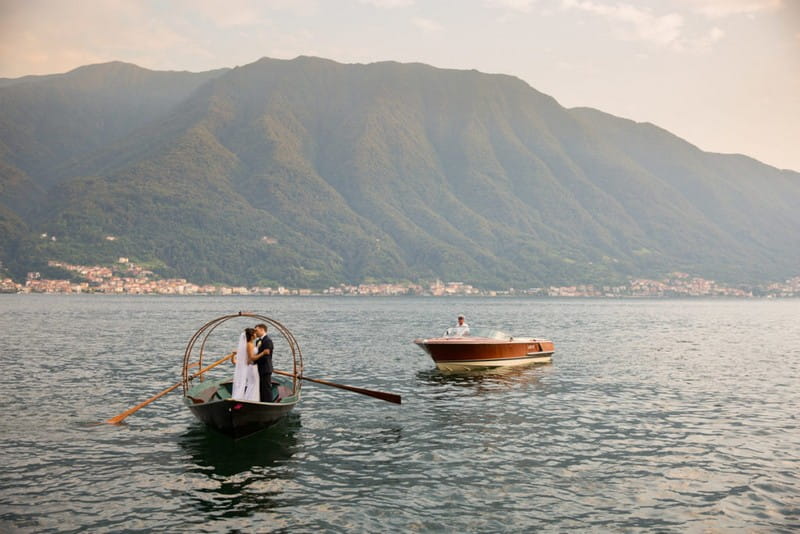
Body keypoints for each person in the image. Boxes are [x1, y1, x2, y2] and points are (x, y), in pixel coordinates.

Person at [231, 328, 260, 401]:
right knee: (253, 384)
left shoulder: (250, 344)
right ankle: (251, 399)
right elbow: (250, 358)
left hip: (252, 366)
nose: (256, 335)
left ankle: (250, 398)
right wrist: (262, 354)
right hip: (252, 366)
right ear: (252, 335)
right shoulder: (249, 345)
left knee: (253, 384)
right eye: (255, 333)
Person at [252, 323, 276, 402]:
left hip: (265, 368)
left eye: (257, 330)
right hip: (259, 368)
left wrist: (254, 360)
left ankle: (269, 403)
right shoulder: (258, 341)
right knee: (261, 387)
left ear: (262, 330)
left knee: (266, 388)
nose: (255, 332)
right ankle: (261, 401)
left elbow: (266, 356)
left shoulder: (267, 340)